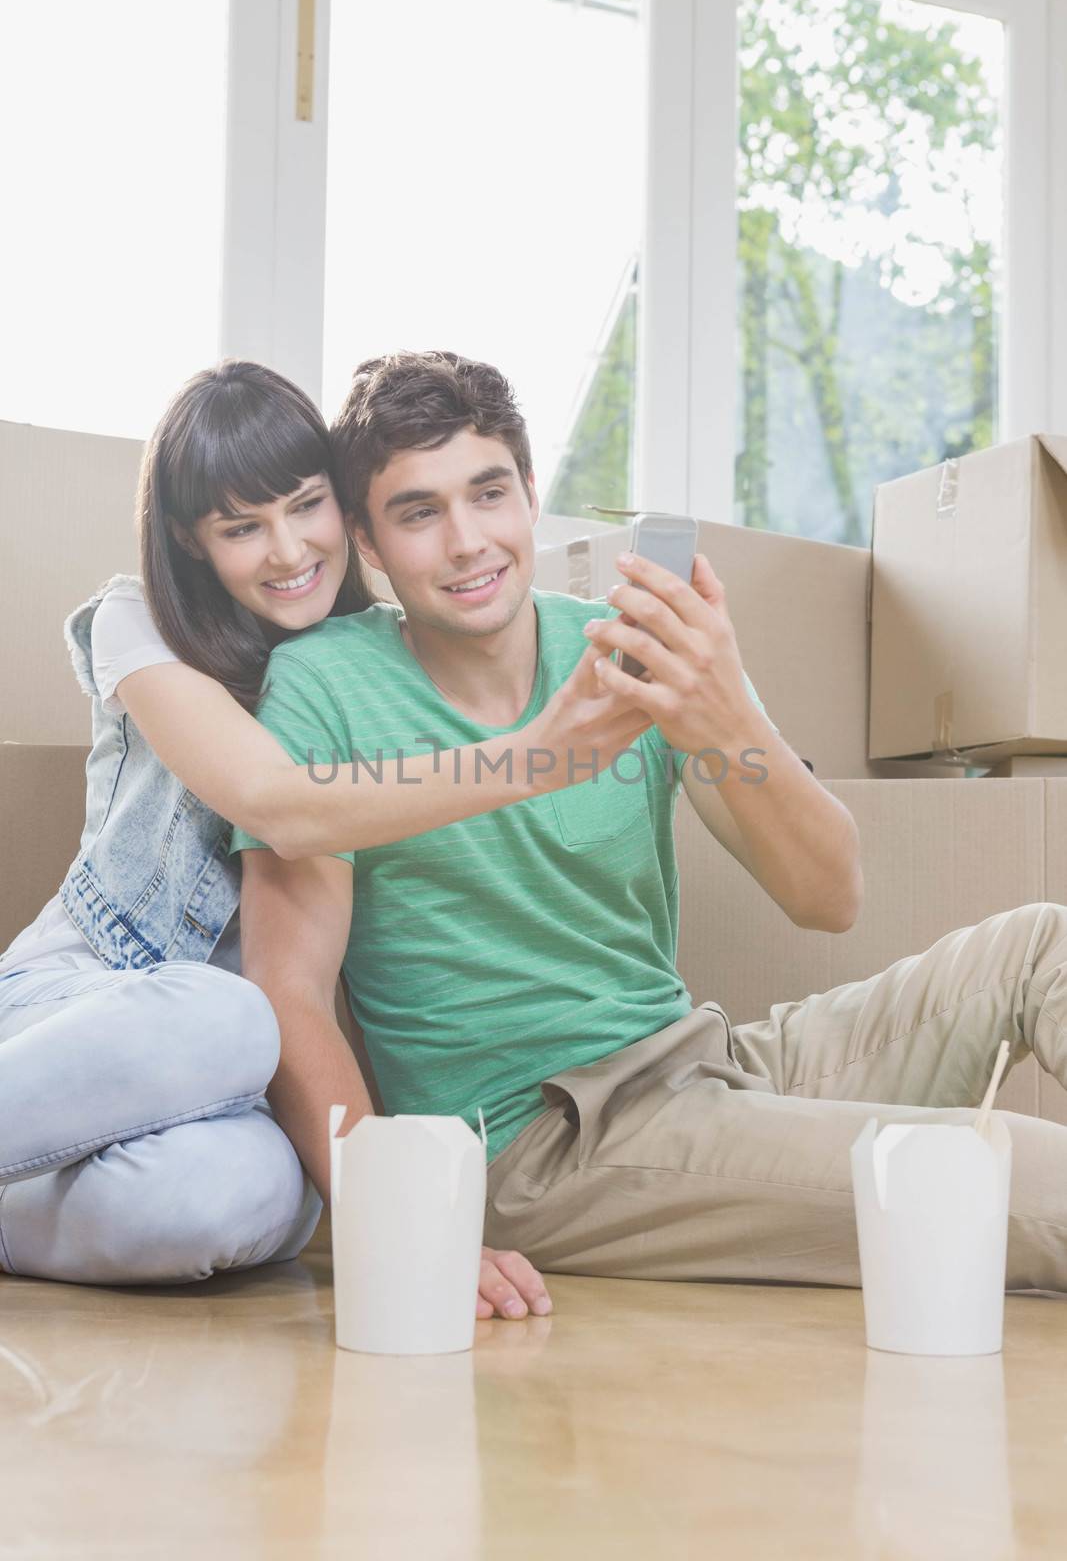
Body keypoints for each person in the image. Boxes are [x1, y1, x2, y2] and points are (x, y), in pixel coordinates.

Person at [233, 349, 1067, 1296]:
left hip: (705, 1065)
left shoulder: (632, 648)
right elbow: (286, 988)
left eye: (488, 493)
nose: (466, 541)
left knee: (1040, 946)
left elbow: (829, 896)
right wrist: (402, 1225)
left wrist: (720, 708)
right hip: (546, 1141)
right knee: (1026, 1181)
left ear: (531, 496)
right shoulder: (326, 684)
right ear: (369, 544)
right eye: (419, 512)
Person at [0, 360, 641, 1309]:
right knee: (227, 1015)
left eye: (306, 507)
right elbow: (278, 803)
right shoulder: (137, 623)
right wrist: (533, 755)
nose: (286, 549)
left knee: (250, 1198)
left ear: (350, 513)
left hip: (230, 1084)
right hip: (90, 1009)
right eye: (239, 527)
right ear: (189, 540)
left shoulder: (376, 658)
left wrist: (406, 1220)